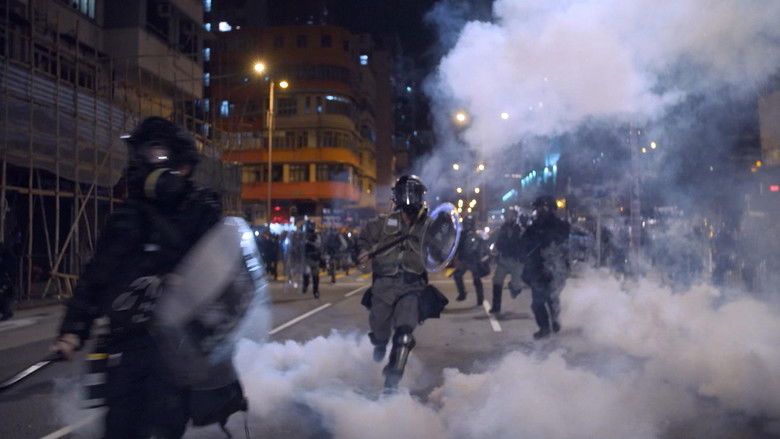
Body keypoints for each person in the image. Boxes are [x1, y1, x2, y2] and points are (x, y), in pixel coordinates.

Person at [50, 117, 246, 438]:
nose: (146, 163)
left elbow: (228, 278)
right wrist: (72, 330)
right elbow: (97, 276)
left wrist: (188, 288)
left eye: (156, 154)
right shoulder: (130, 214)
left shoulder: (201, 211)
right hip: (127, 348)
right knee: (120, 427)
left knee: (164, 428)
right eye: (143, 154)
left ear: (183, 165)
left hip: (176, 350)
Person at [358, 175, 429, 389]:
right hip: (384, 285)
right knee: (380, 330)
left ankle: (392, 382)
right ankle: (379, 342)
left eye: (414, 193)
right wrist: (363, 252)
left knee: (404, 333)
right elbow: (363, 239)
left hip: (412, 285)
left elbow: (443, 247)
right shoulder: (381, 223)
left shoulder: (429, 225)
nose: (410, 198)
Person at [519, 195, 570, 339]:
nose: (539, 210)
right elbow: (525, 245)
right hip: (539, 269)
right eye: (538, 208)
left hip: (555, 267)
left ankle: (553, 321)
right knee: (539, 301)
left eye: (542, 207)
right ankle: (546, 326)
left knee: (551, 297)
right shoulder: (534, 227)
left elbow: (561, 244)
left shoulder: (560, 226)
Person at [490, 208, 525, 314]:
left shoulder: (521, 230)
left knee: (517, 286)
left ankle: (513, 288)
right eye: (506, 216)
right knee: (497, 281)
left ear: (515, 217)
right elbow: (492, 240)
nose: (508, 218)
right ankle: (496, 307)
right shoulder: (501, 230)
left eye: (511, 216)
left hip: (516, 261)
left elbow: (526, 245)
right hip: (503, 260)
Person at [453, 216, 488, 306]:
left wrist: (482, 258)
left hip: (473, 260)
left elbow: (482, 247)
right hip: (464, 259)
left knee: (476, 279)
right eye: (466, 224)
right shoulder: (462, 234)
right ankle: (462, 293)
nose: (467, 225)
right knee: (457, 275)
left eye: (468, 223)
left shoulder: (477, 235)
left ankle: (480, 299)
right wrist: (457, 258)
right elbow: (457, 247)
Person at [302, 220, 322, 299]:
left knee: (315, 276)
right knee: (306, 274)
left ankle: (315, 291)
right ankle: (305, 285)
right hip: (306, 257)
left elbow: (318, 245)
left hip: (314, 257)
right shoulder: (303, 235)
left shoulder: (316, 235)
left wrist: (308, 242)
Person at [0, 241, 16, 321]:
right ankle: (7, 312)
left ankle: (6, 312)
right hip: (5, 276)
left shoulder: (6, 256)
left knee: (3, 295)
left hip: (6, 277)